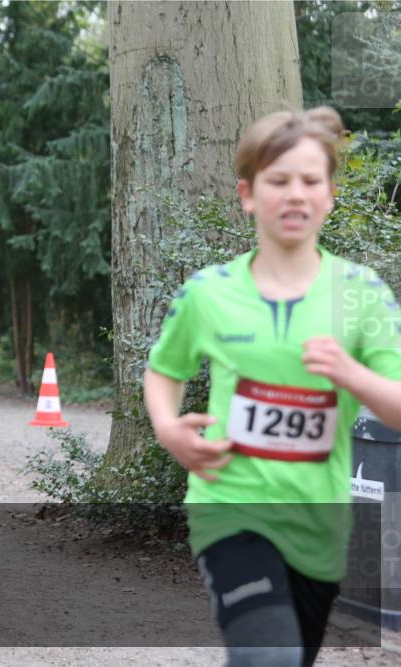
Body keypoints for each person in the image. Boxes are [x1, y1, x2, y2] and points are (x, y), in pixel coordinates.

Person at [143, 107, 401, 666]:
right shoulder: (209, 293)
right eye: (278, 180)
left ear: (330, 194)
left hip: (320, 527)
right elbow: (164, 371)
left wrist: (351, 375)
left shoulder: (360, 294)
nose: (295, 194)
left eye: (310, 181)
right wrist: (168, 427)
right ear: (248, 194)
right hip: (231, 508)